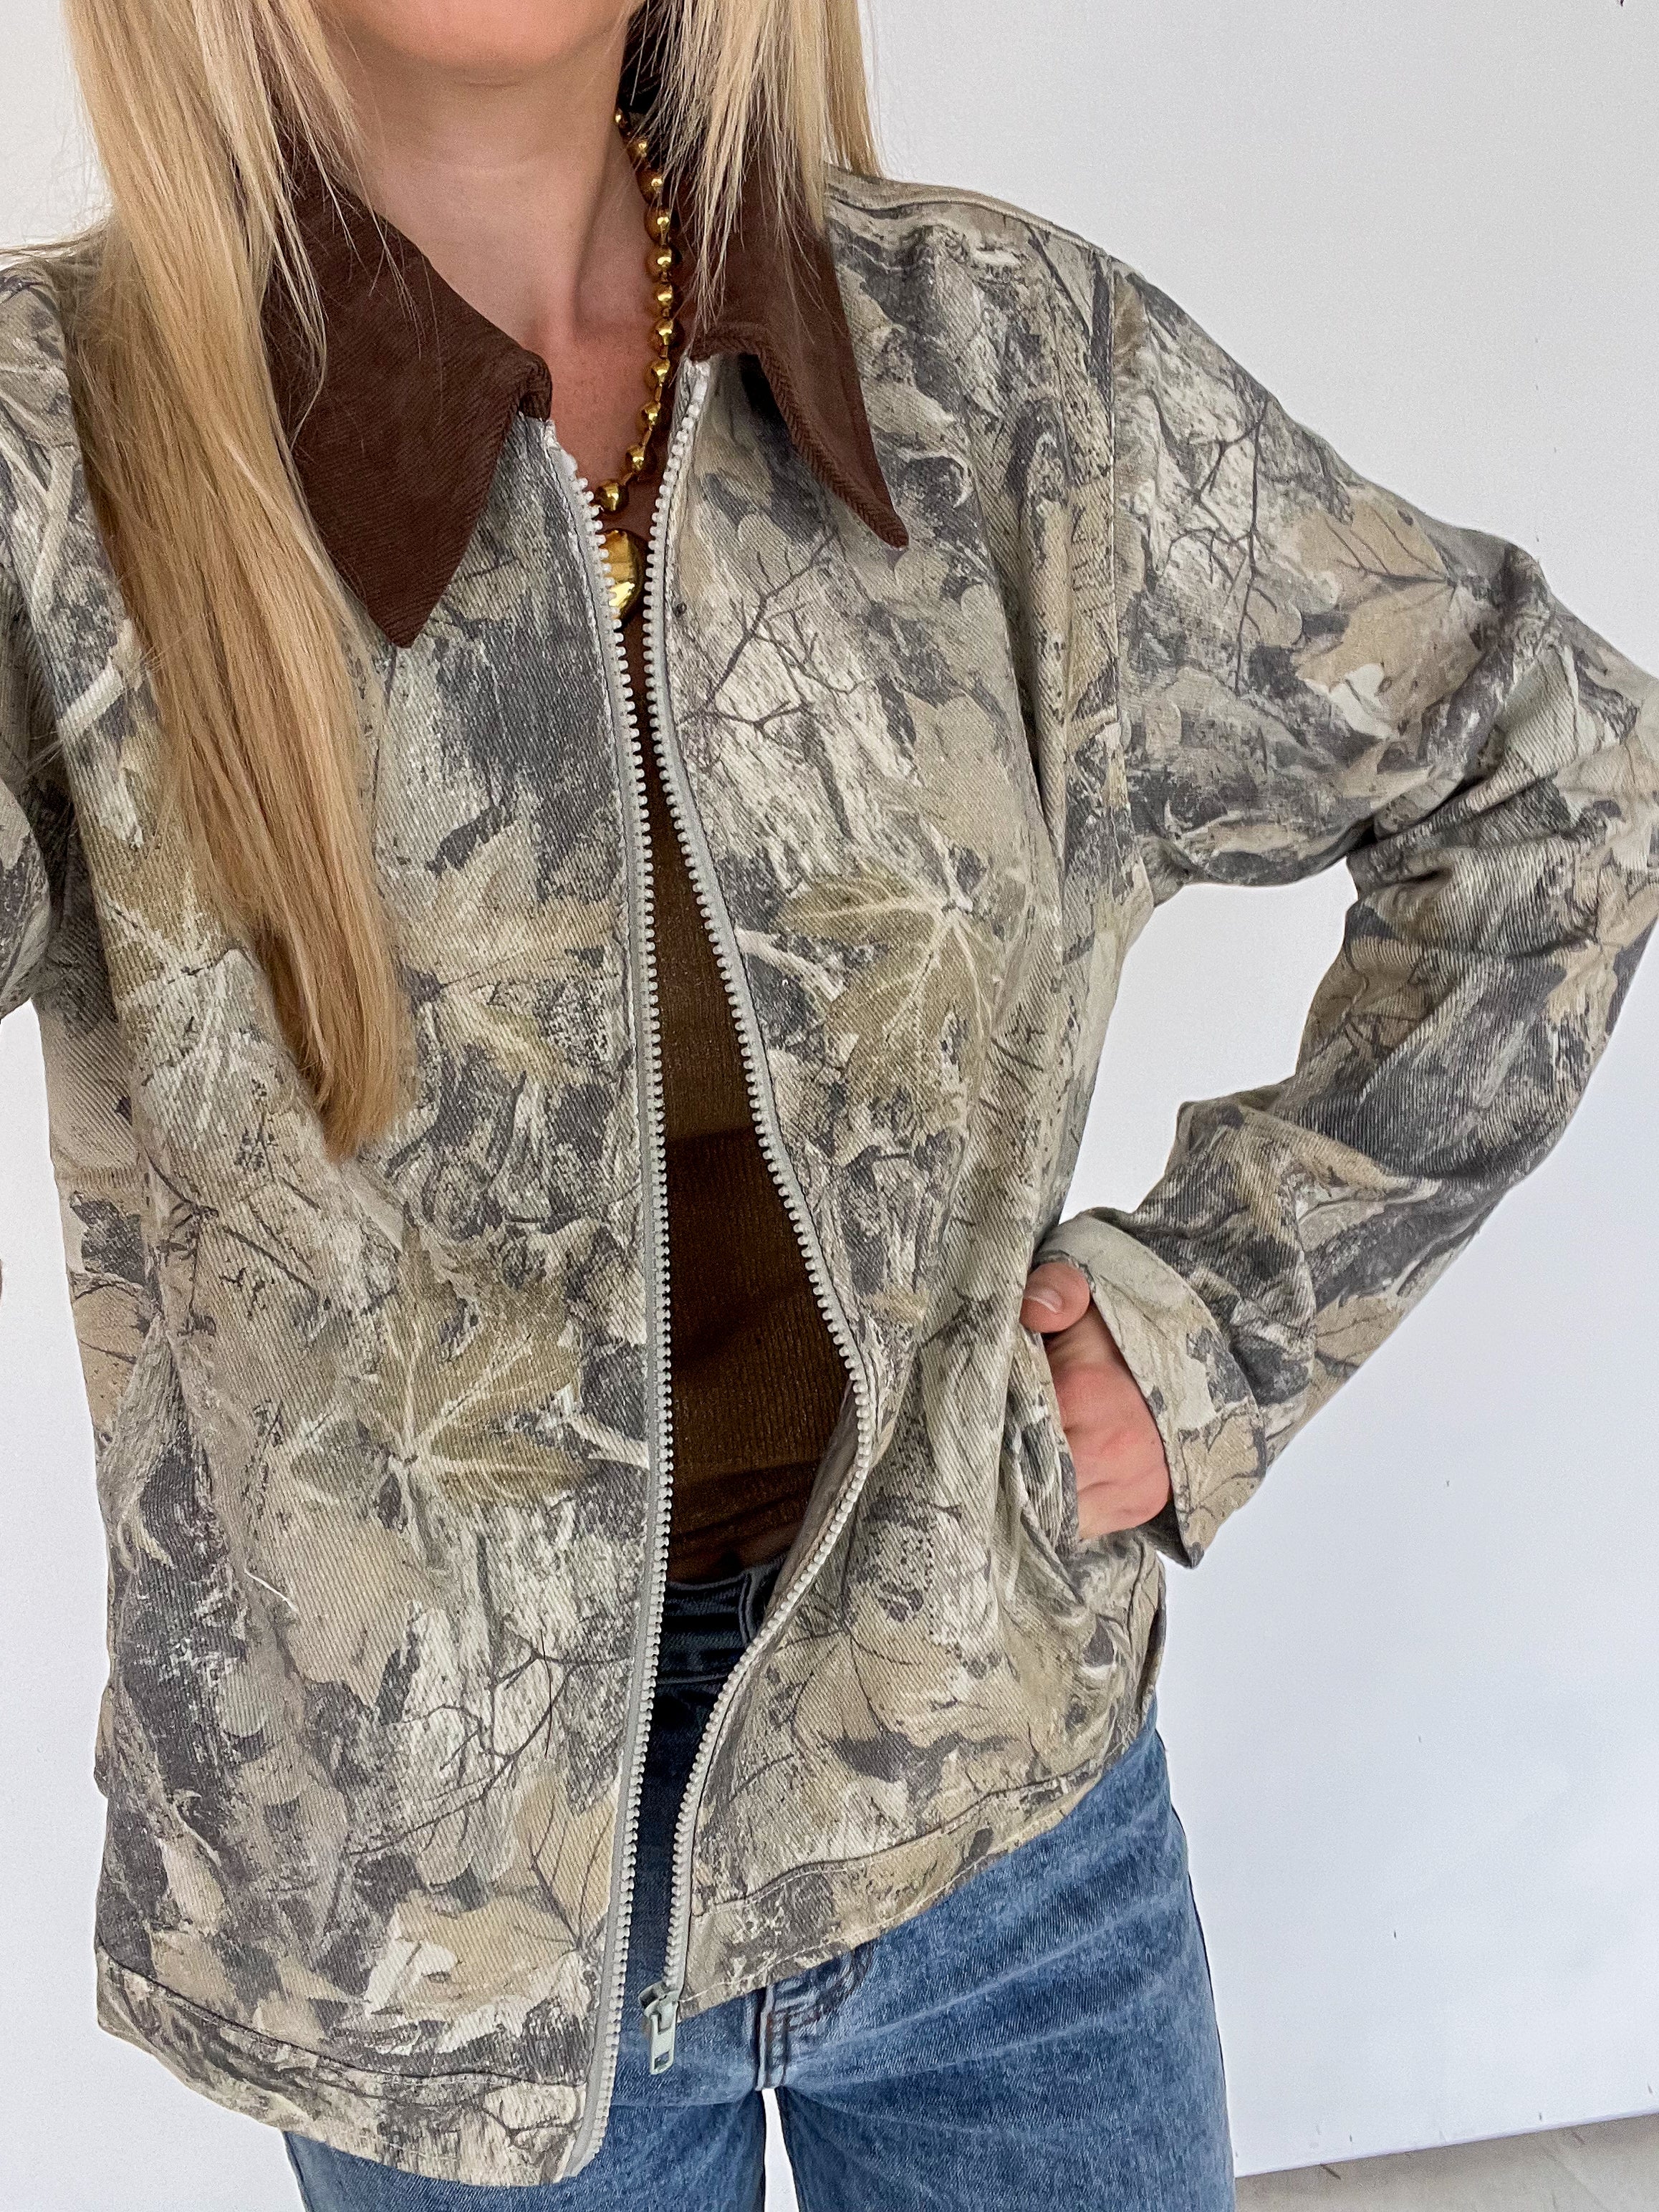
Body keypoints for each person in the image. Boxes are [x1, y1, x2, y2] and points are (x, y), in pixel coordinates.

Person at [1, 0, 1653, 2204]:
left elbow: (1551, 786)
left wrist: (1220, 1332)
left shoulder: (1003, 367)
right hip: (430, 1922)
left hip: (995, 1809)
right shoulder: (55, 444)